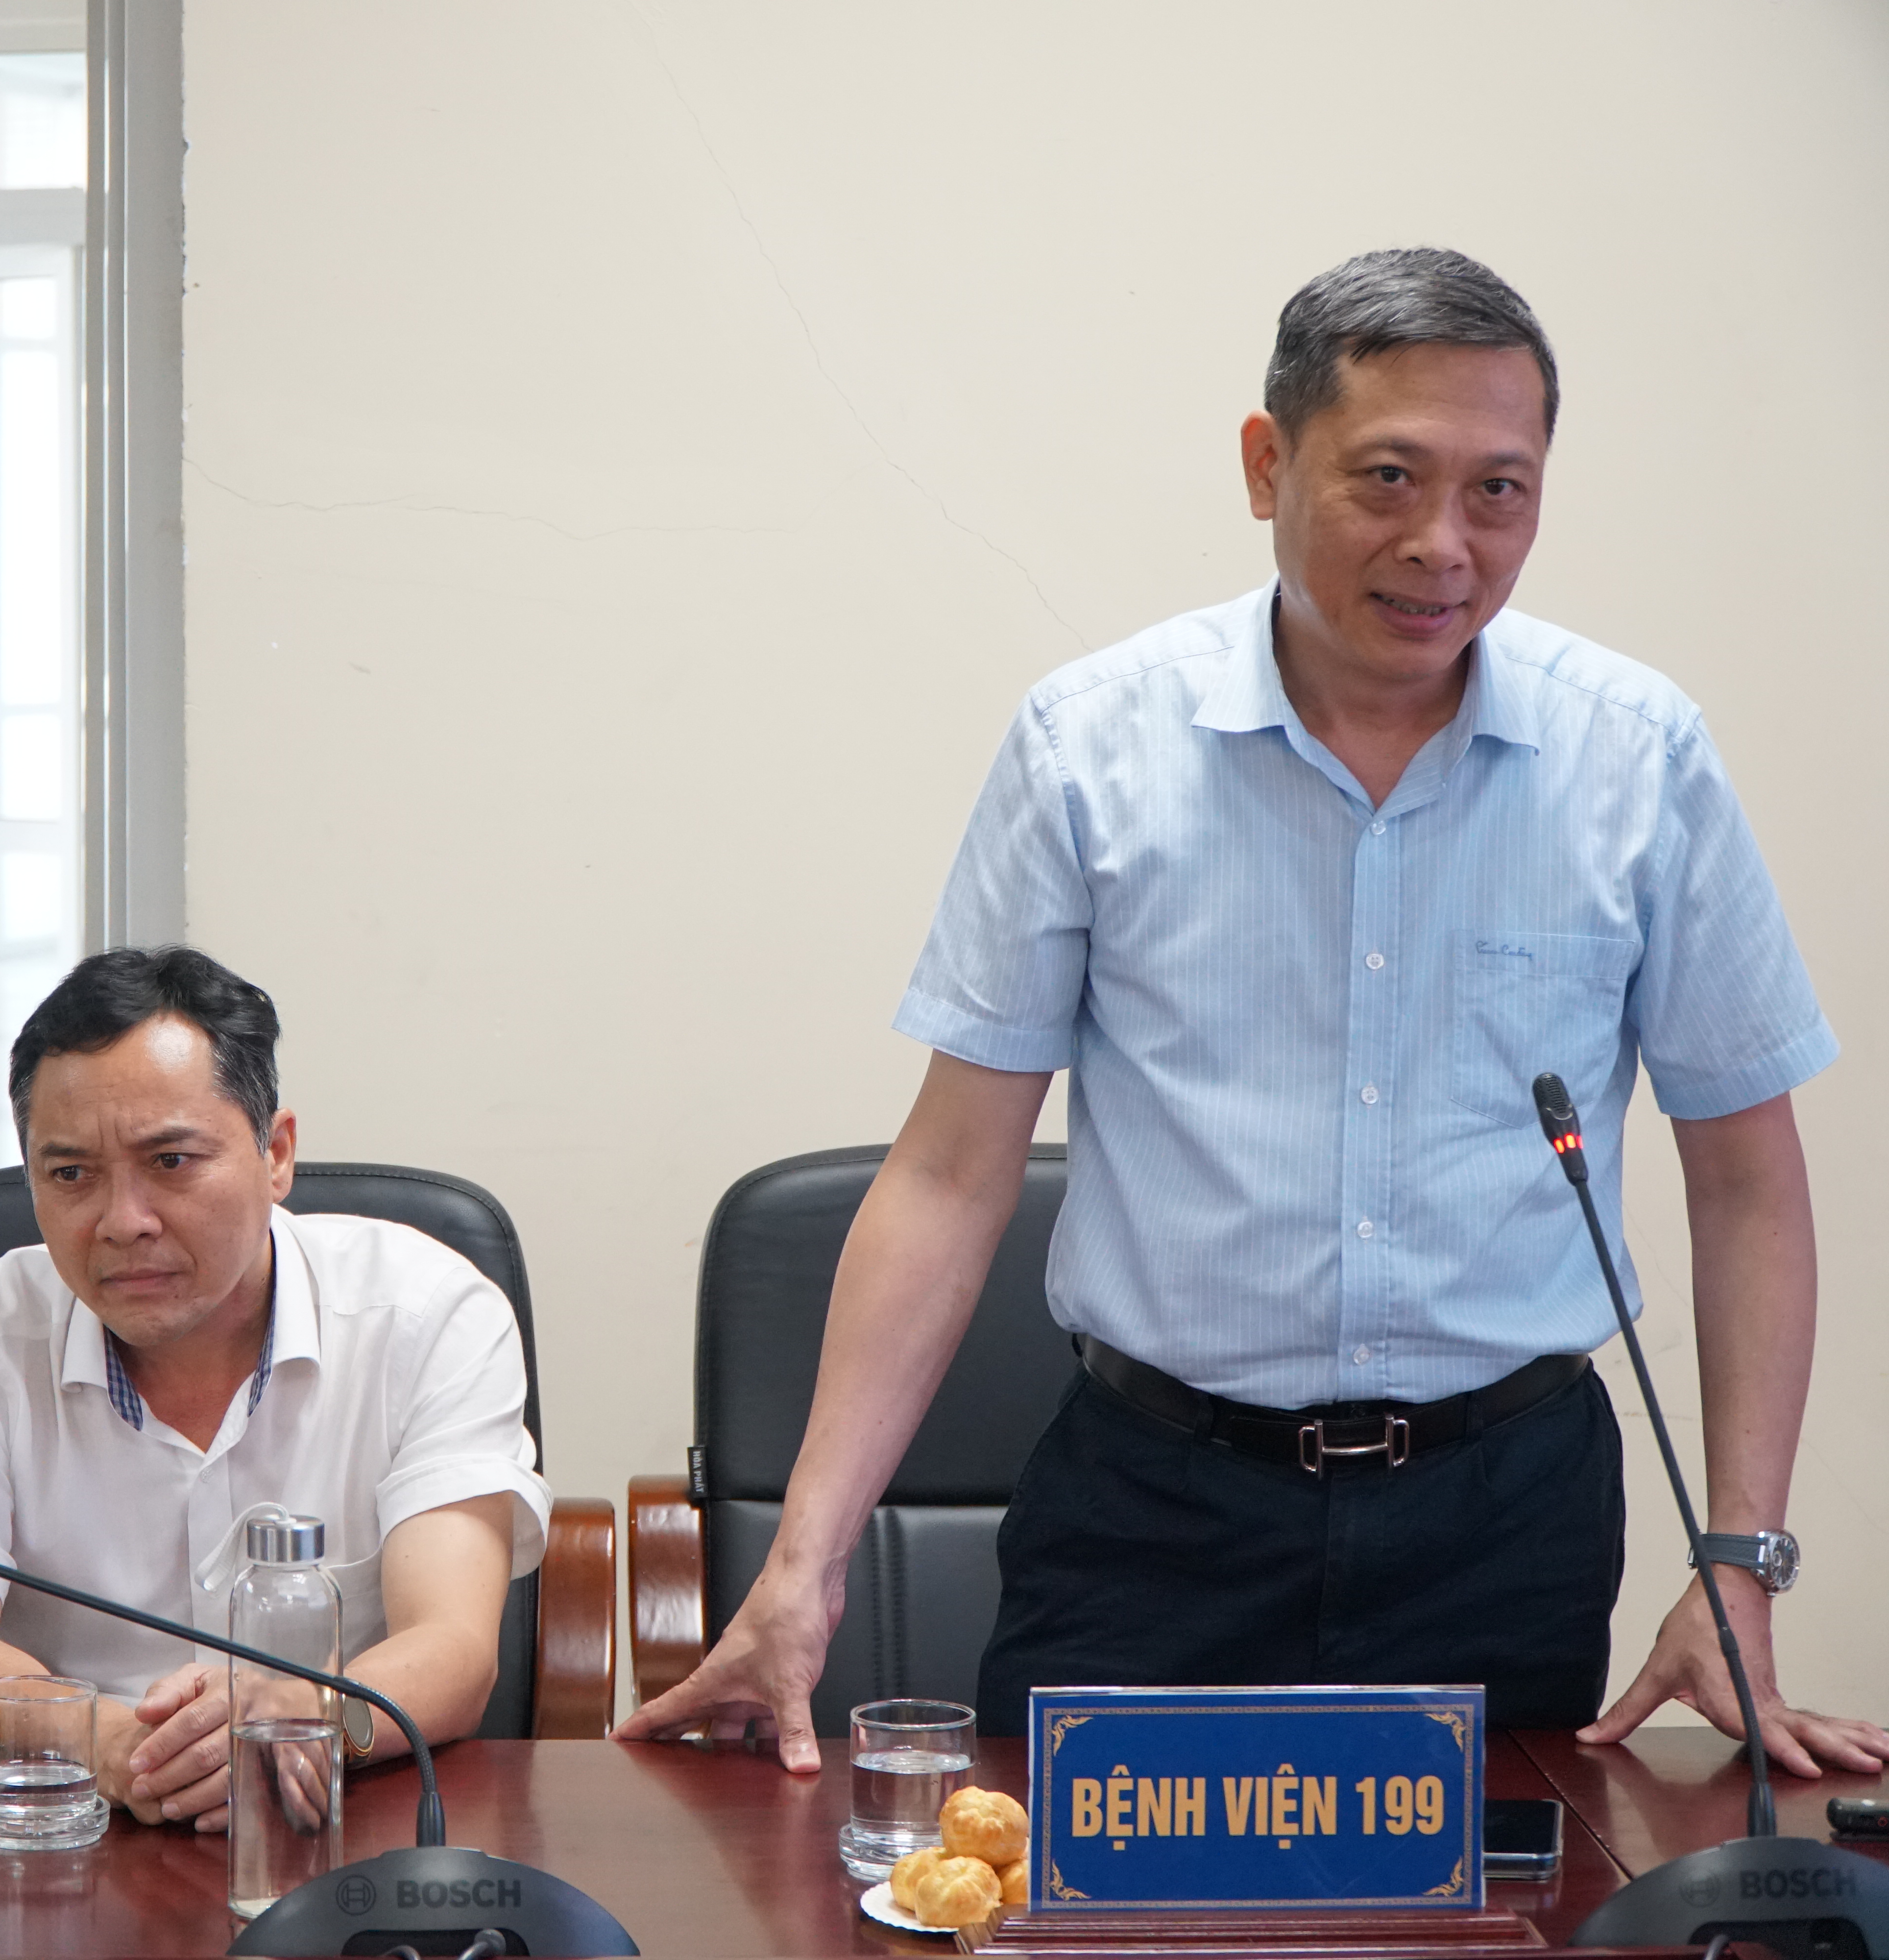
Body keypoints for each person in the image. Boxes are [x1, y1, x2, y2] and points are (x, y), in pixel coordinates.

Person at [619, 248, 1889, 1776]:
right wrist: (805, 1564)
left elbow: (1748, 1183)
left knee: (1502, 1903)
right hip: (1154, 1511)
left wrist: (1741, 1564)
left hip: (1502, 1512)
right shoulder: (1093, 748)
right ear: (1266, 465)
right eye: (1388, 478)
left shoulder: (1639, 761)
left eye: (1499, 491)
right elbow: (951, 1174)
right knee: (1077, 1896)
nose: (1443, 546)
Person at [0, 946, 549, 1831]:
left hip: (339, 1827)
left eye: (172, 1161)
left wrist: (300, 1718)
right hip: (62, 1825)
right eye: (71, 1174)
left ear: (277, 1153)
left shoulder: (428, 1316)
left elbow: (452, 1647)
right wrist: (107, 1743)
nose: (123, 1223)